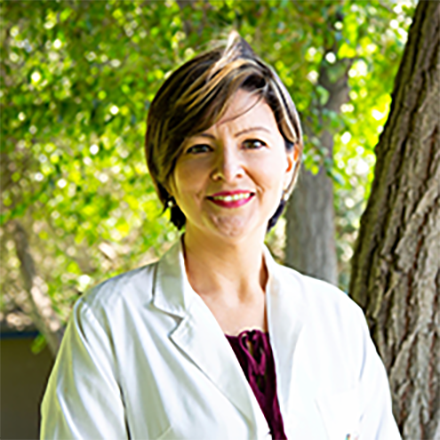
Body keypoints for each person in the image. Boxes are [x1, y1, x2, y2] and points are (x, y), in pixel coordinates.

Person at [40, 33, 401, 440]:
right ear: (166, 172)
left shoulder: (338, 320)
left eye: (253, 143)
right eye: (199, 148)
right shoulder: (108, 322)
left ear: (289, 161)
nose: (228, 170)